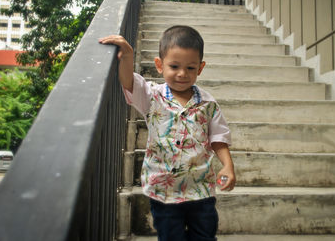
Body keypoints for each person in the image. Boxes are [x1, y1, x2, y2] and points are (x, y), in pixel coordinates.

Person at [99, 25, 236, 241]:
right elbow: (129, 82)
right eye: (174, 66)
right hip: (163, 190)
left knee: (205, 236)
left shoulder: (208, 104)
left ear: (200, 68)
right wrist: (127, 56)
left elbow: (218, 138)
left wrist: (228, 165)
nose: (182, 74)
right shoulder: (152, 96)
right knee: (171, 237)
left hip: (200, 188)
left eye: (190, 68)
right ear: (159, 65)